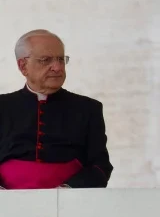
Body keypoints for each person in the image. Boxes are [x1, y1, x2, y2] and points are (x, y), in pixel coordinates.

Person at [0, 30, 113, 189]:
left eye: (61, 59)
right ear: (23, 66)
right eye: (46, 60)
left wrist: (68, 191)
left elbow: (100, 166)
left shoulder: (88, 109)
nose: (57, 67)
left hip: (69, 200)